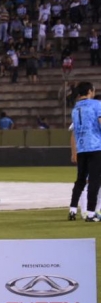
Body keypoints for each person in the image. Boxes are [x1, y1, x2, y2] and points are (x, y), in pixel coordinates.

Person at [68, 82, 101, 221]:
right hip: (95, 146)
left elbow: (74, 131)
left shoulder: (75, 109)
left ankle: (73, 210)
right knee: (94, 181)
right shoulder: (96, 104)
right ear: (89, 91)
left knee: (81, 180)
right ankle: (91, 213)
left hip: (81, 148)